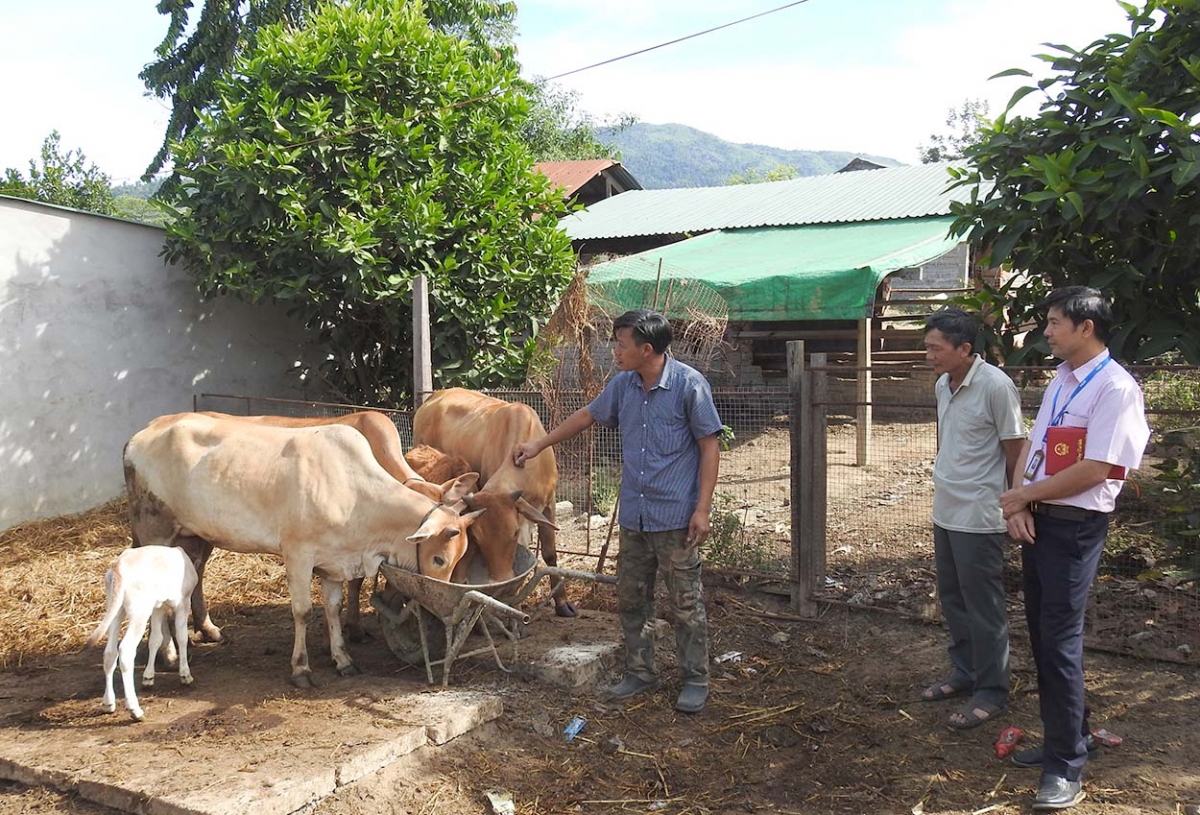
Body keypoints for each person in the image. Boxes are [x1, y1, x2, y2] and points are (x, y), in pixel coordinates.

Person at [513, 309, 722, 714]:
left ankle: (695, 678)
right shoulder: (624, 385)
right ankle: (640, 671)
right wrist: (538, 444)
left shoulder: (688, 386)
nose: (615, 352)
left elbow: (709, 446)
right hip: (636, 515)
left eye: (620, 344)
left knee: (685, 604)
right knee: (631, 599)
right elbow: (587, 415)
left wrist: (703, 509)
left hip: (676, 517)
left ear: (647, 349)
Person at [999, 287, 1150, 812]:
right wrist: (1017, 504)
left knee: (1060, 641)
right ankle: (1069, 737)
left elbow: (1099, 468)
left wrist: (1024, 496)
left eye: (1054, 322)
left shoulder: (1115, 389)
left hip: (1075, 526)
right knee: (1043, 634)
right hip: (1039, 522)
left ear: (1086, 328)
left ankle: (1065, 767)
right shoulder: (1063, 380)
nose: (1046, 330)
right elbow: (1034, 449)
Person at [919, 308, 1025, 729]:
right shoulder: (944, 385)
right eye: (927, 347)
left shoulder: (996, 387)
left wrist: (1017, 503)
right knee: (953, 597)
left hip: (980, 514)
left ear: (965, 349)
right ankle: (965, 671)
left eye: (936, 348)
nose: (929, 356)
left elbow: (1017, 448)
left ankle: (993, 690)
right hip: (946, 509)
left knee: (984, 604)